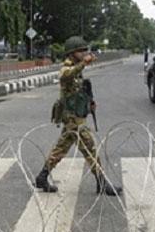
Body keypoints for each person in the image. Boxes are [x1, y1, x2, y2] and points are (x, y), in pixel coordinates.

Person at [35, 36, 122, 196]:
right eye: (81, 51)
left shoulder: (77, 68)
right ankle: (102, 183)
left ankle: (42, 176)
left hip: (75, 116)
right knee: (89, 147)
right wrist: (84, 63)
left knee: (61, 149)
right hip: (72, 118)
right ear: (72, 52)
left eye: (85, 50)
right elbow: (64, 76)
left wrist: (89, 104)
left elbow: (77, 92)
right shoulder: (68, 67)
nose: (84, 53)